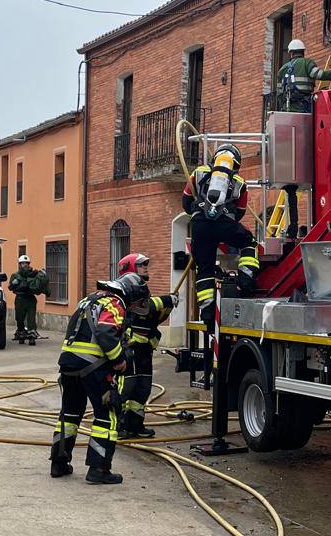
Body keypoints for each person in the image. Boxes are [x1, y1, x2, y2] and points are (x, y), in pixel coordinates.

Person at [50, 272, 148, 485]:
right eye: (136, 302)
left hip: (68, 364)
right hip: (92, 366)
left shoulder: (90, 299)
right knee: (108, 414)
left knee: (69, 413)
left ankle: (58, 463)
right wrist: (119, 360)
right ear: (131, 294)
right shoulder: (115, 303)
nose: (133, 307)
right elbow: (105, 333)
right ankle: (99, 468)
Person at [182, 143, 259, 327]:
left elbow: (186, 201)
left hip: (199, 226)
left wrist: (198, 214)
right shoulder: (239, 182)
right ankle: (246, 281)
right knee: (249, 242)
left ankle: (207, 314)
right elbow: (240, 211)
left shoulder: (198, 172)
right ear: (236, 163)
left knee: (204, 269)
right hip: (225, 224)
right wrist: (226, 225)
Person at [115, 253, 175, 438]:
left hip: (145, 348)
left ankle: (135, 425)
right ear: (130, 268)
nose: (146, 268)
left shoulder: (142, 287)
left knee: (143, 388)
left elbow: (151, 314)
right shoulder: (126, 288)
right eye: (141, 265)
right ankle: (120, 425)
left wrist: (167, 307)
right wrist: (167, 300)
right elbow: (143, 306)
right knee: (127, 388)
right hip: (130, 347)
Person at [274, 38, 331, 113]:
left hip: (288, 108)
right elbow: (319, 74)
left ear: (291, 53)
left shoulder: (282, 69)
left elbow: (279, 93)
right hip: (304, 107)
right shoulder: (307, 63)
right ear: (303, 52)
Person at [8, 253, 49, 343]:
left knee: (31, 319)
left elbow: (38, 285)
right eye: (23, 263)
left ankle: (31, 337)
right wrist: (13, 284)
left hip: (30, 299)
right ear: (20, 264)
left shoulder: (34, 274)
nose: (25, 265)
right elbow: (10, 288)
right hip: (20, 299)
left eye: (27, 263)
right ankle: (21, 334)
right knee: (19, 319)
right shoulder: (15, 275)